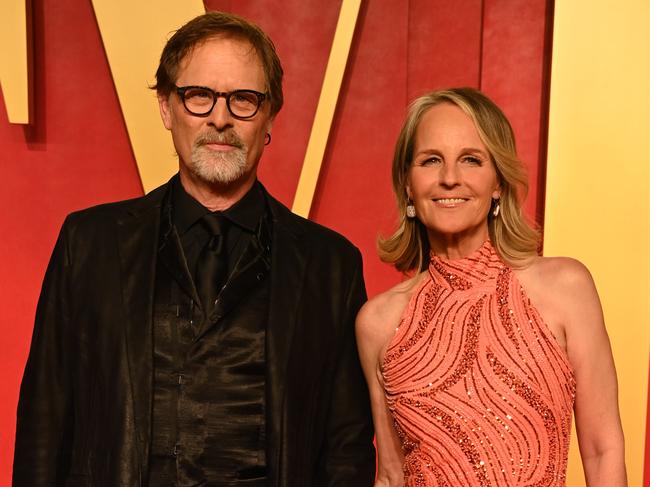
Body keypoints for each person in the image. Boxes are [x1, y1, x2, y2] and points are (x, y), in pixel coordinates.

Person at [13, 11, 375, 486]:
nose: (220, 118)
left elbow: (345, 450)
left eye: (243, 99)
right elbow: (45, 423)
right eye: (198, 96)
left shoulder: (331, 265)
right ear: (166, 107)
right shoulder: (89, 243)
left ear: (269, 116)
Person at [356, 87, 626, 486]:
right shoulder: (378, 322)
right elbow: (391, 476)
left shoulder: (565, 288)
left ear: (498, 181)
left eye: (471, 160)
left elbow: (603, 451)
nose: (450, 179)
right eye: (431, 161)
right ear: (409, 185)